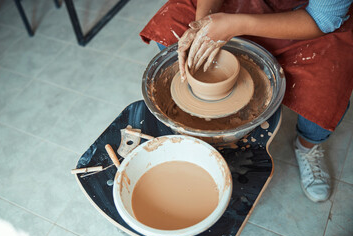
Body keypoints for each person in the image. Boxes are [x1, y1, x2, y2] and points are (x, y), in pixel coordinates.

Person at [140, 0, 353, 202]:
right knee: (171, 30)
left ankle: (307, 146)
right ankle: (199, 125)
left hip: (305, 16)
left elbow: (323, 17)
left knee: (327, 85)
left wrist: (235, 25)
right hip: (240, 5)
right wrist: (204, 27)